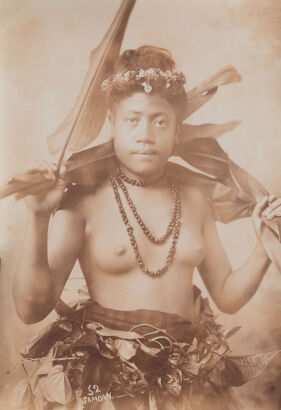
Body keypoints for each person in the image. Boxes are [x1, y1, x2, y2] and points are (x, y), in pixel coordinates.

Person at [12, 46, 281, 410]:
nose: (145, 134)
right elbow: (31, 309)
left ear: (176, 129)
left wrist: (263, 247)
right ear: (112, 122)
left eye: (159, 121)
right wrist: (38, 216)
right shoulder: (83, 202)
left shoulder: (195, 198)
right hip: (104, 385)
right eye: (132, 119)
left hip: (188, 380)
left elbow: (228, 297)